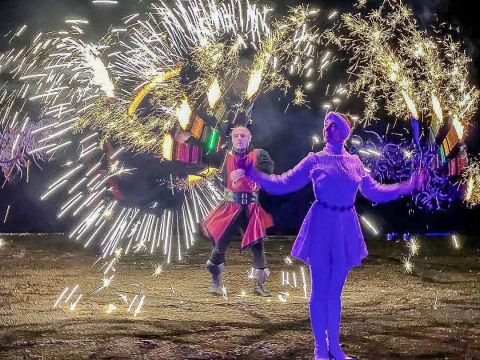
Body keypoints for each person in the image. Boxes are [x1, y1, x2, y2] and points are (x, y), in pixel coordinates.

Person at [244, 112, 427, 359]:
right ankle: (320, 347)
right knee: (320, 290)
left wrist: (408, 185)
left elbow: (375, 192)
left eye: (334, 125)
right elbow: (283, 183)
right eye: (326, 125)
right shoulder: (314, 159)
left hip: (345, 225)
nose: (327, 128)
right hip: (321, 224)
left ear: (344, 132)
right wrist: (255, 175)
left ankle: (336, 348)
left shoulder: (354, 162)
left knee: (335, 293)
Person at [202, 126, 275, 297]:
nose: (239, 138)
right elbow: (204, 158)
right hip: (229, 208)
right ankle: (215, 282)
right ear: (232, 138)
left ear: (249, 138)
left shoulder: (259, 154)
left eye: (243, 136)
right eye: (236, 136)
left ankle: (259, 285)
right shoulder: (224, 155)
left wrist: (248, 172)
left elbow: (269, 171)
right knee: (220, 245)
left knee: (257, 246)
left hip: (251, 208)